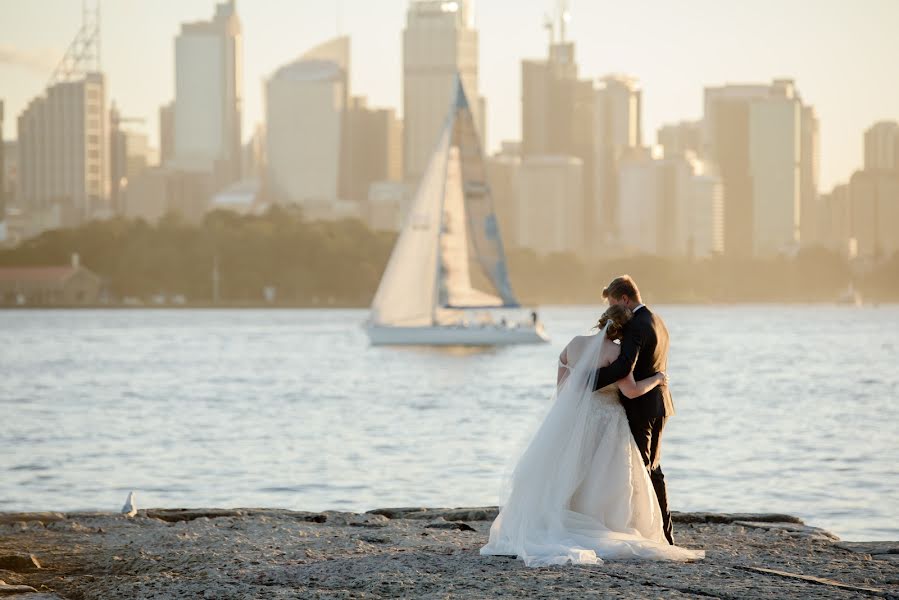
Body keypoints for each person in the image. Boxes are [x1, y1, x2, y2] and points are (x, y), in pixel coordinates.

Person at [480, 295, 703, 567]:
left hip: (574, 417)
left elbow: (563, 385)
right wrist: (657, 379)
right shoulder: (614, 353)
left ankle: (563, 517)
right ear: (621, 330)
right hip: (608, 420)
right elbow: (631, 392)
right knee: (605, 474)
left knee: (569, 468)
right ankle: (602, 524)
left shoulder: (574, 344)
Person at [592, 275, 676, 545]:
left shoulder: (637, 325)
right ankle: (663, 531)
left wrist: (585, 381)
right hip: (660, 404)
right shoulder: (658, 321)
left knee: (643, 468)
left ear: (625, 299)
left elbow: (623, 367)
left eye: (615, 304)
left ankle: (657, 533)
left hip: (642, 405)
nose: (616, 312)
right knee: (653, 467)